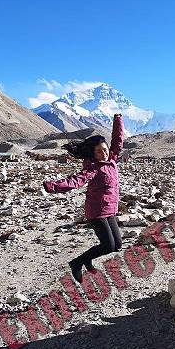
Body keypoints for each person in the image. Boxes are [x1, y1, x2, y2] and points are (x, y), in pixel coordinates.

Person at [43, 113, 125, 283]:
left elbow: (117, 142)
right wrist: (53, 186)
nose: (104, 153)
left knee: (117, 245)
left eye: (105, 149)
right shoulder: (93, 168)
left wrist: (118, 120)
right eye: (99, 151)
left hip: (110, 209)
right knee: (108, 245)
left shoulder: (112, 160)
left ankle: (87, 260)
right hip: (96, 212)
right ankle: (77, 262)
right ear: (93, 154)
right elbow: (75, 181)